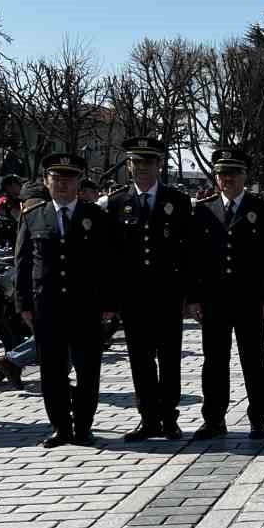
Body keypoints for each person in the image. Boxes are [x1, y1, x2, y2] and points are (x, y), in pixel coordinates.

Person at [15, 154, 114, 446]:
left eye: (68, 178)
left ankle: (83, 425)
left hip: (86, 306)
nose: (62, 184)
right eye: (56, 178)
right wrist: (23, 303)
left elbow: (108, 262)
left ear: (78, 183)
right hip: (48, 307)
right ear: (46, 182)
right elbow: (22, 263)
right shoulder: (34, 216)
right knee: (52, 370)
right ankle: (60, 426)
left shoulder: (95, 216)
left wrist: (109, 302)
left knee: (87, 369)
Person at [187, 145, 264, 441]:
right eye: (223, 174)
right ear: (216, 177)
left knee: (254, 360)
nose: (228, 179)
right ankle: (214, 418)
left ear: (245, 175)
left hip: (250, 299)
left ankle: (258, 418)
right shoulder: (202, 211)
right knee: (214, 361)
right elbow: (194, 259)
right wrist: (194, 297)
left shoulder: (261, 209)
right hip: (214, 300)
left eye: (234, 173)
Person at [105, 136, 191, 441]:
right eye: (136, 162)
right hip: (133, 298)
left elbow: (189, 252)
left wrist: (190, 297)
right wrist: (111, 300)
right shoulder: (116, 203)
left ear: (159, 165)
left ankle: (169, 417)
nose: (142, 168)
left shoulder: (178, 202)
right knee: (140, 360)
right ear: (129, 166)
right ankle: (148, 417)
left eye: (148, 162)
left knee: (169, 359)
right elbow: (111, 256)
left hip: (168, 295)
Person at [0, 181, 52, 388]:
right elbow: (22, 260)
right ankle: (13, 360)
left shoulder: (47, 216)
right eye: (29, 203)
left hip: (52, 290)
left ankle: (14, 361)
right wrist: (22, 300)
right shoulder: (26, 219)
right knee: (54, 337)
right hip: (34, 290)